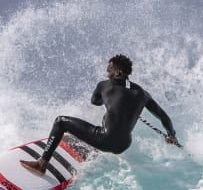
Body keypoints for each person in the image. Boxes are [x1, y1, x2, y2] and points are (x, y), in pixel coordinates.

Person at [20, 54, 179, 176]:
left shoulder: (104, 85)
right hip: (123, 145)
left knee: (60, 121)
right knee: (107, 120)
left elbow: (95, 101)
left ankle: (41, 164)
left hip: (105, 140)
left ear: (118, 72)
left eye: (109, 70)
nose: (107, 73)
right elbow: (164, 118)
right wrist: (171, 135)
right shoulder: (143, 94)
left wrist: (107, 99)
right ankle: (94, 146)